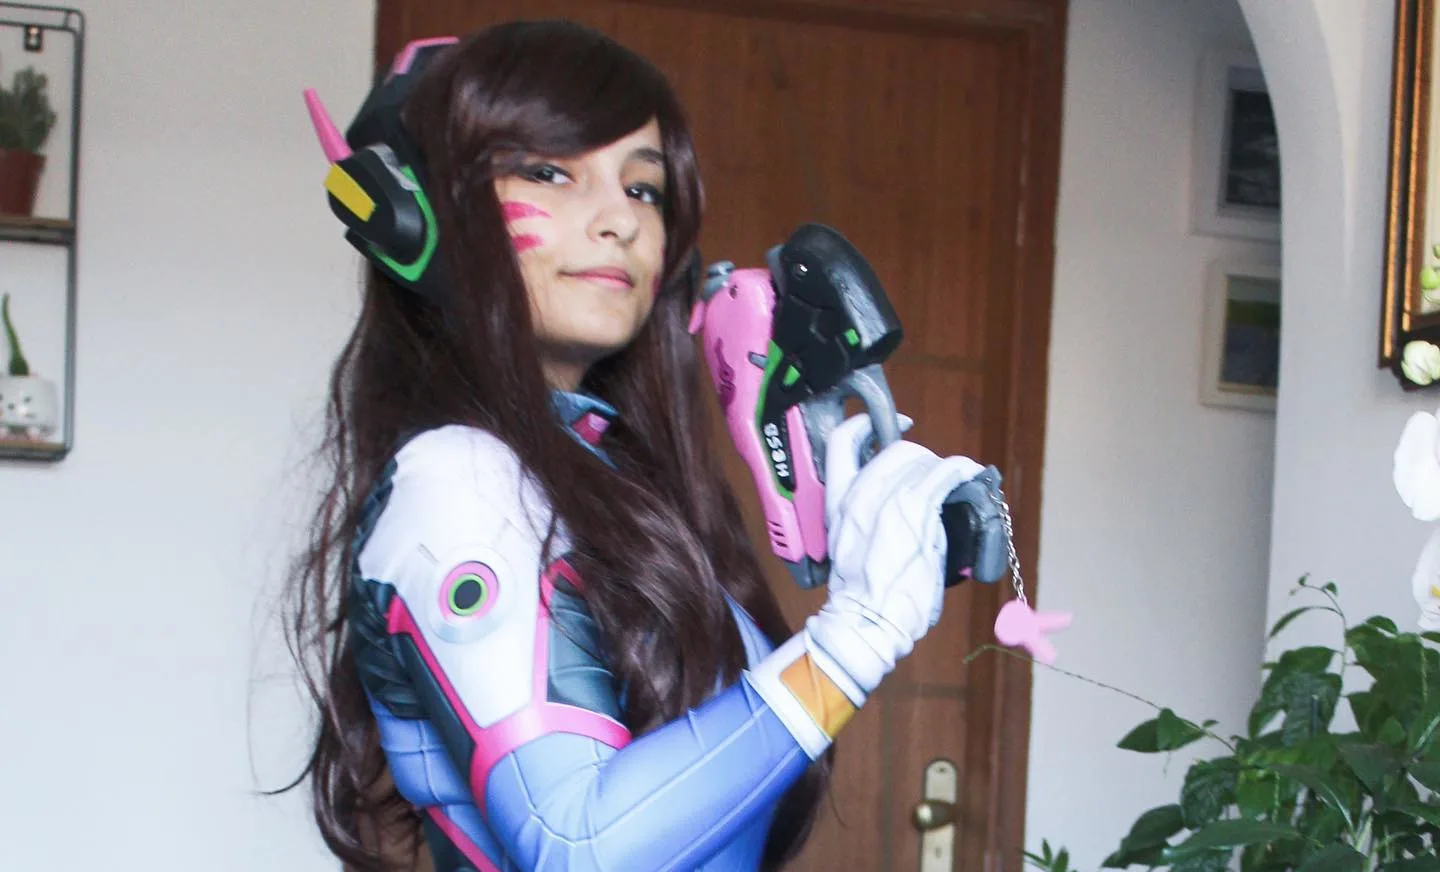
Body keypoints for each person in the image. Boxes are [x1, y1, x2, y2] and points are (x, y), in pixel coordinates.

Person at [283, 19, 985, 872]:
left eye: (645, 188)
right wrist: (854, 638)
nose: (618, 218)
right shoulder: (456, 479)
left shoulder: (610, 479)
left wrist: (868, 563)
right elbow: (578, 846)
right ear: (411, 217)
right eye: (548, 173)